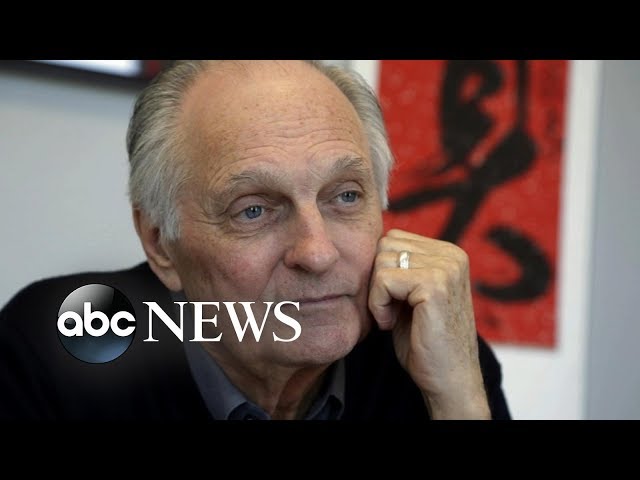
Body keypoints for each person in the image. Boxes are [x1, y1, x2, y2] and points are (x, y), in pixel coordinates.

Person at [0, 60, 510, 420]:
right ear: (160, 244)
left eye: (345, 197)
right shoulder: (60, 348)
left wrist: (458, 401)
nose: (317, 253)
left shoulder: (427, 357)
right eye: (254, 210)